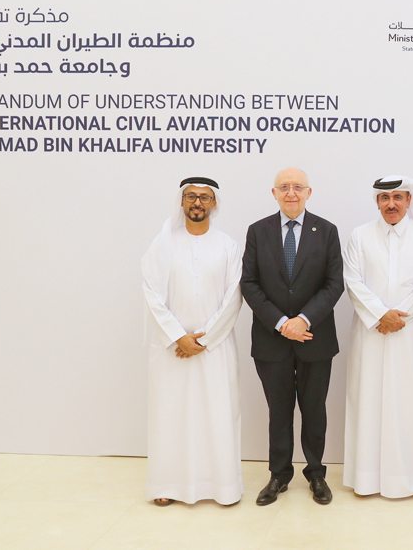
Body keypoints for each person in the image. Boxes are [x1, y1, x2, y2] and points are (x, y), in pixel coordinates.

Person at [241, 168, 344, 506]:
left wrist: (303, 319)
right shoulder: (258, 231)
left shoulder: (326, 231)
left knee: (315, 410)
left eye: (297, 187)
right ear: (274, 193)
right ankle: (278, 475)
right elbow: (250, 284)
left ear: (308, 192)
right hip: (272, 339)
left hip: (315, 337)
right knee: (279, 411)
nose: (291, 193)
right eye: (284, 187)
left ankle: (316, 474)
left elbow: (334, 284)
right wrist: (283, 322)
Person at [141, 177, 244, 506]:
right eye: (191, 197)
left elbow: (234, 297)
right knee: (171, 415)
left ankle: (221, 488)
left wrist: (205, 338)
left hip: (215, 349)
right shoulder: (163, 244)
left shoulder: (228, 246)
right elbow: (152, 294)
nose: (197, 202)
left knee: (216, 415)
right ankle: (166, 486)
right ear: (181, 202)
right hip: (172, 350)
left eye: (204, 197)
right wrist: (178, 337)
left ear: (214, 204)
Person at [343, 175, 413, 499]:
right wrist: (379, 315)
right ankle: (367, 479)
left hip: (411, 336)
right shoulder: (360, 236)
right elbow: (353, 281)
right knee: (369, 401)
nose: (391, 204)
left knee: (410, 406)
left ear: (409, 200)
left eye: (398, 198)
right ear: (377, 202)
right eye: (385, 198)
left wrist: (398, 316)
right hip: (372, 334)